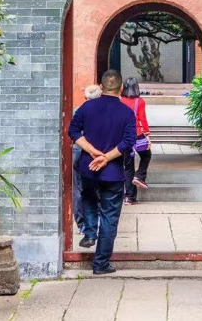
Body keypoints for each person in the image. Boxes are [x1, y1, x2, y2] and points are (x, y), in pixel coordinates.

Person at [68, 69, 136, 275]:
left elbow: (72, 130)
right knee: (109, 217)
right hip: (113, 172)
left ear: (101, 86)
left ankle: (89, 232)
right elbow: (128, 141)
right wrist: (106, 157)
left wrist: (91, 151)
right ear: (121, 88)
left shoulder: (87, 107)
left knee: (88, 198)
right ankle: (101, 264)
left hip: (88, 168)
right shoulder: (126, 112)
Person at [72, 84, 102, 235]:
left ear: (85, 97)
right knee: (98, 185)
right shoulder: (103, 112)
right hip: (98, 152)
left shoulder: (77, 110)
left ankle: (82, 223)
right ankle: (96, 220)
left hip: (78, 151)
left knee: (78, 186)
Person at [120, 77, 152, 205]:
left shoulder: (120, 101)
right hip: (138, 134)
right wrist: (148, 137)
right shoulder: (140, 101)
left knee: (128, 167)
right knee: (146, 156)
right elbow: (142, 120)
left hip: (124, 136)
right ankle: (139, 176)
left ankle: (129, 197)